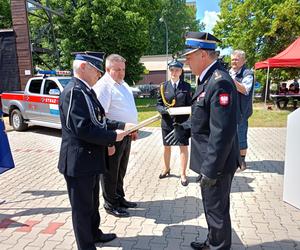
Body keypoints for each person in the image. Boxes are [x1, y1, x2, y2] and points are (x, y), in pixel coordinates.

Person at [167, 31, 240, 250]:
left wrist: (210, 169)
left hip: (216, 162)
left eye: (189, 57)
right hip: (210, 159)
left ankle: (218, 246)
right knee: (212, 207)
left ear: (202, 55)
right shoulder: (208, 79)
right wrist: (185, 129)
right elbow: (204, 117)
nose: (186, 62)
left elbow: (223, 131)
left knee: (216, 211)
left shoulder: (219, 82)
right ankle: (213, 242)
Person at [58, 51, 130, 250]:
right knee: (82, 208)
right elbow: (82, 128)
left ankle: (94, 234)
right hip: (78, 162)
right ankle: (86, 245)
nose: (99, 74)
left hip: (89, 160)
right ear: (82, 67)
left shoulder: (86, 90)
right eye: (96, 69)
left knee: (92, 203)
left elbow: (99, 120)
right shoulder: (73, 91)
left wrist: (122, 125)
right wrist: (111, 137)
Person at [93, 54, 138, 218]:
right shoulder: (104, 86)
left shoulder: (122, 84)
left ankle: (119, 197)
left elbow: (128, 108)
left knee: (120, 170)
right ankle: (110, 203)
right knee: (110, 172)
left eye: (123, 69)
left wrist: (134, 128)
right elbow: (101, 117)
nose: (121, 73)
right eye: (117, 70)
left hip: (126, 135)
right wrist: (108, 142)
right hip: (113, 137)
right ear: (107, 69)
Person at [156, 59, 192, 186]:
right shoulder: (163, 86)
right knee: (167, 146)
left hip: (182, 123)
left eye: (177, 70)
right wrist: (163, 111)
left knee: (183, 147)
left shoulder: (186, 87)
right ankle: (166, 168)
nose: (174, 72)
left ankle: (183, 173)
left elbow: (190, 105)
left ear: (181, 71)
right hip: (167, 122)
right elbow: (159, 104)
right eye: (172, 70)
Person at [229, 50, 254, 171]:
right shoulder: (228, 72)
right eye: (232, 59)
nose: (233, 61)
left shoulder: (248, 73)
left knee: (241, 135)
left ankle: (242, 160)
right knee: (229, 135)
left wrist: (230, 80)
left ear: (243, 61)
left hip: (242, 111)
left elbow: (244, 89)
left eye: (236, 59)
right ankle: (232, 158)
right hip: (228, 110)